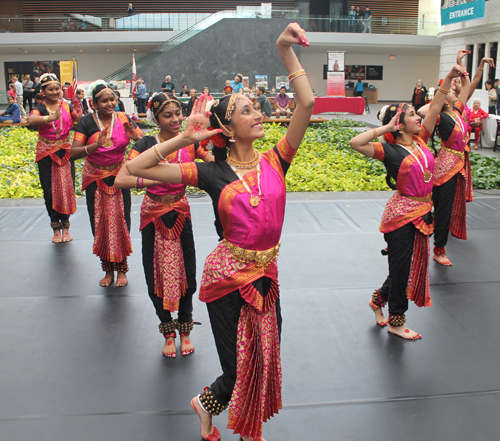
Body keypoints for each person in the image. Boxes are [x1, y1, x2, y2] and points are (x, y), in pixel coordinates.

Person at [126, 22, 313, 441]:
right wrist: (184, 138)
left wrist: (285, 49)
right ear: (226, 129)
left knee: (266, 355)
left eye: (256, 107)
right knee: (239, 362)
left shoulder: (276, 160)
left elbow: (306, 103)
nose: (259, 113)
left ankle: (205, 402)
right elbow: (135, 169)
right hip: (226, 278)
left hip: (267, 272)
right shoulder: (209, 172)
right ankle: (247, 430)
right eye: (246, 110)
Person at [349, 62, 467, 340]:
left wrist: (450, 77)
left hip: (423, 213)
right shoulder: (389, 151)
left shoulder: (422, 141)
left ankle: (378, 301)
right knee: (402, 269)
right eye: (412, 115)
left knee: (405, 264)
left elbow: (436, 106)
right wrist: (384, 128)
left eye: (416, 114)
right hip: (401, 217)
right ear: (400, 124)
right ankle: (396, 321)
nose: (418, 117)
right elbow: (356, 142)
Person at [115, 93, 214, 357]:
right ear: (156, 118)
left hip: (181, 212)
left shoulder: (191, 143)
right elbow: (121, 179)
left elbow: (213, 162)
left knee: (187, 273)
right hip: (154, 215)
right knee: (154, 274)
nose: (175, 119)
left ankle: (186, 331)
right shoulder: (147, 143)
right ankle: (168, 333)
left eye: (178, 114)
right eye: (167, 115)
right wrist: (152, 181)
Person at [70, 80, 143, 287]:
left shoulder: (123, 118)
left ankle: (122, 269)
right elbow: (73, 153)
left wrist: (134, 136)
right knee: (100, 224)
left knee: (122, 221)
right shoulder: (86, 122)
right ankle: (107, 270)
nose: (110, 104)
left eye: (113, 99)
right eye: (104, 101)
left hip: (120, 177)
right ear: (94, 104)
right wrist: (95, 145)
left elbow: (142, 141)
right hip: (96, 178)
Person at [430, 50, 472, 266]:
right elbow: (421, 111)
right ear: (444, 97)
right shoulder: (439, 116)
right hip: (445, 169)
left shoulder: (457, 111)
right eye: (449, 91)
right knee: (439, 207)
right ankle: (436, 247)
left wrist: (460, 63)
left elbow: (466, 86)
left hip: (457, 166)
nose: (455, 91)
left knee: (443, 209)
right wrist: (438, 96)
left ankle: (438, 247)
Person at [26, 73, 78, 243]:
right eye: (51, 89)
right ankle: (56, 228)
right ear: (43, 92)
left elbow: (76, 121)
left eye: (57, 88)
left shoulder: (66, 105)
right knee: (50, 190)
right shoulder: (41, 107)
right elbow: (31, 120)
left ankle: (66, 226)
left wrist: (77, 115)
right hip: (47, 152)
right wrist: (51, 117)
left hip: (65, 150)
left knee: (66, 189)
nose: (55, 92)